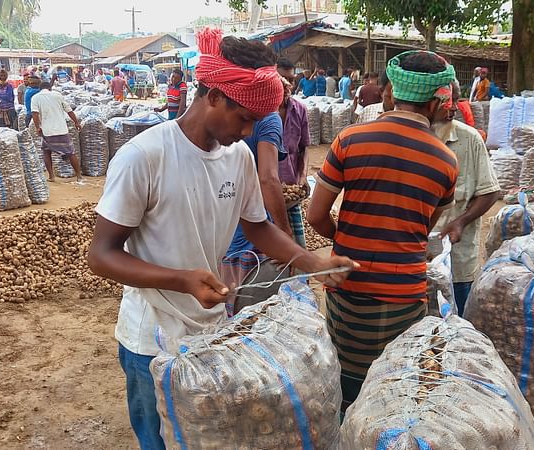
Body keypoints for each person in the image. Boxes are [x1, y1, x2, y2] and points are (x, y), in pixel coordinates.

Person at [87, 28, 356, 450]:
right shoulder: (144, 156)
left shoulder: (239, 156)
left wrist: (311, 261)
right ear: (213, 95)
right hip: (151, 340)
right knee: (158, 440)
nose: (249, 130)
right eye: (244, 117)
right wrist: (182, 280)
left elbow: (257, 227)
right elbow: (101, 256)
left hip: (211, 331)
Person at [306, 50, 458, 410]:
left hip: (348, 282)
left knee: (345, 380)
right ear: (437, 103)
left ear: (391, 94)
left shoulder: (350, 140)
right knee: (392, 386)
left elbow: (315, 216)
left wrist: (346, 238)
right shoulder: (446, 162)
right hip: (403, 292)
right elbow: (422, 230)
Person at [431, 80, 499, 314]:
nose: (454, 108)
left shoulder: (470, 139)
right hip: (415, 259)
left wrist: (460, 221)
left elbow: (490, 192)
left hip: (457, 258)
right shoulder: (409, 140)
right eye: (446, 102)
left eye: (456, 101)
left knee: (457, 325)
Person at [220, 91, 290, 316]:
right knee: (251, 309)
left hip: (220, 230)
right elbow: (268, 178)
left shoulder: (218, 114)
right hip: (248, 232)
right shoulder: (269, 118)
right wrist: (284, 231)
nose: (246, 131)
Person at [276, 74, 310, 248]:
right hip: (267, 190)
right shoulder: (261, 113)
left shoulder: (300, 109)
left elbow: (304, 148)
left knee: (296, 243)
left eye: (288, 84)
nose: (286, 87)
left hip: (291, 185)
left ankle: (299, 274)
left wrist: (303, 176)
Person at [31, 81, 83, 182]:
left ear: (40, 88)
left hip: (47, 131)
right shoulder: (57, 95)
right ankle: (78, 175)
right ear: (50, 88)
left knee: (46, 152)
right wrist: (76, 122)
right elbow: (69, 110)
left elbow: (35, 114)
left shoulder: (36, 97)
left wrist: (38, 127)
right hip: (62, 130)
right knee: (70, 153)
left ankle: (51, 176)